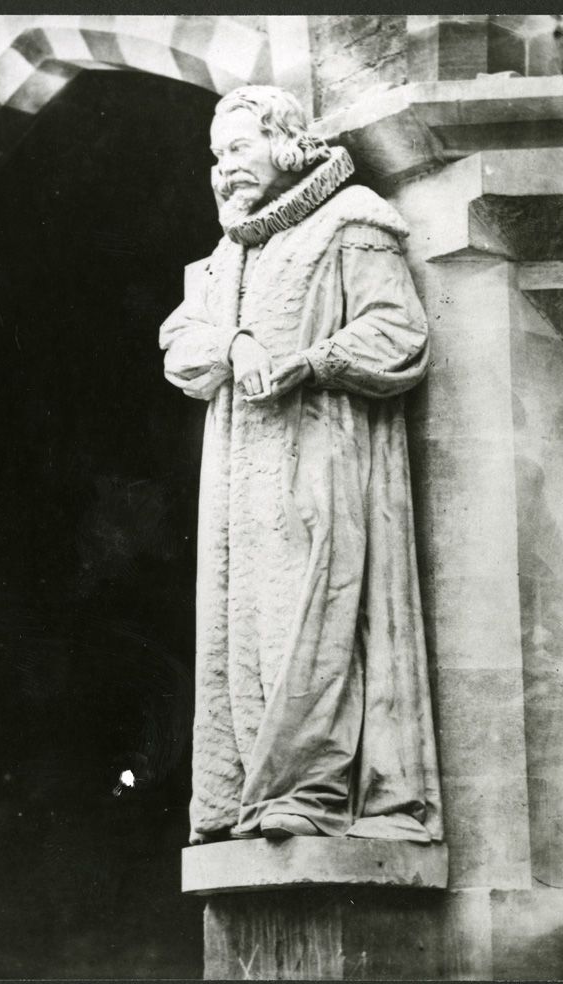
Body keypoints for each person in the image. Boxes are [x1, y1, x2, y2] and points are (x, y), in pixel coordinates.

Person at [159, 85, 443, 845]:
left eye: (238, 150)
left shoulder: (353, 223)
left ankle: (313, 793)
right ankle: (245, 796)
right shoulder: (226, 259)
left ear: (287, 148)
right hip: (238, 487)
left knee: (312, 613)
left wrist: (313, 360)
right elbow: (179, 347)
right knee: (244, 630)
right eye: (215, 158)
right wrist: (235, 345)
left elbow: (399, 333)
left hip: (320, 462)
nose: (223, 171)